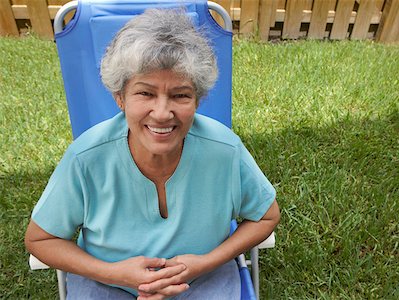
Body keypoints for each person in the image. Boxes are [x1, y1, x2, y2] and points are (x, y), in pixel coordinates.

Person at [25, 8, 280, 300]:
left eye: (180, 95)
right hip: (107, 283)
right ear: (119, 97)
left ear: (197, 99)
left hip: (203, 280)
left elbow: (266, 217)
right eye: (145, 93)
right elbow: (40, 238)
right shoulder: (86, 157)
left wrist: (204, 263)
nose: (162, 113)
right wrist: (114, 273)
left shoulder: (225, 150)